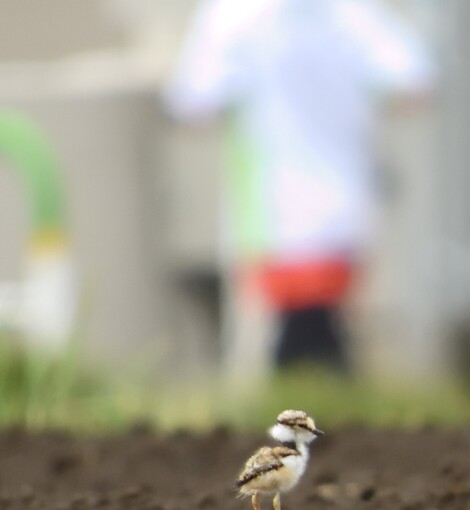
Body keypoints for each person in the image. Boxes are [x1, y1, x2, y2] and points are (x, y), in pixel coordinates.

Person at [164, 0, 435, 371]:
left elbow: (192, 103)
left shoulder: (233, 14)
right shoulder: (354, 13)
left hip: (271, 217)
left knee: (281, 349)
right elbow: (414, 82)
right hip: (343, 211)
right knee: (325, 340)